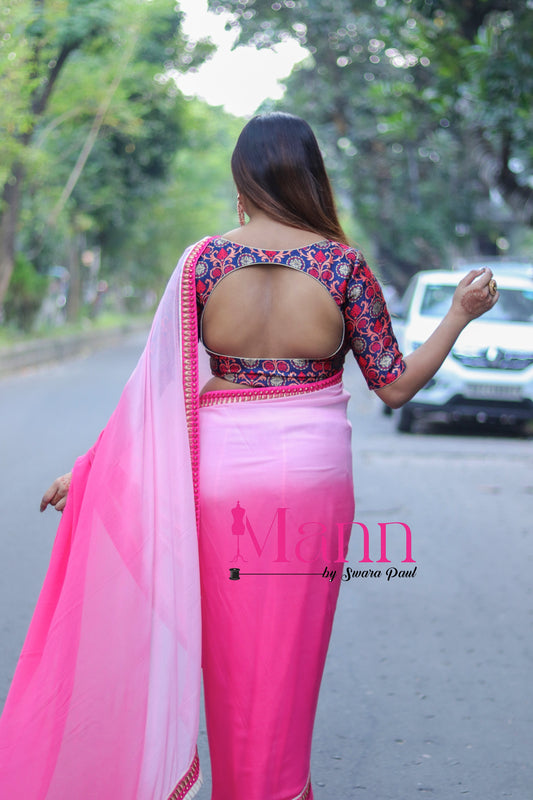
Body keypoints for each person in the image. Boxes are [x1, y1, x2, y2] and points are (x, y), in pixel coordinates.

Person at [0, 113, 498, 800]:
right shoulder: (340, 264)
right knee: (287, 666)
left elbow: (152, 390)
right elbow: (395, 385)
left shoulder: (204, 262)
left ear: (243, 178)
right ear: (311, 176)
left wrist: (86, 474)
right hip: (312, 482)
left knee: (230, 662)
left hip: (220, 475)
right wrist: (458, 315)